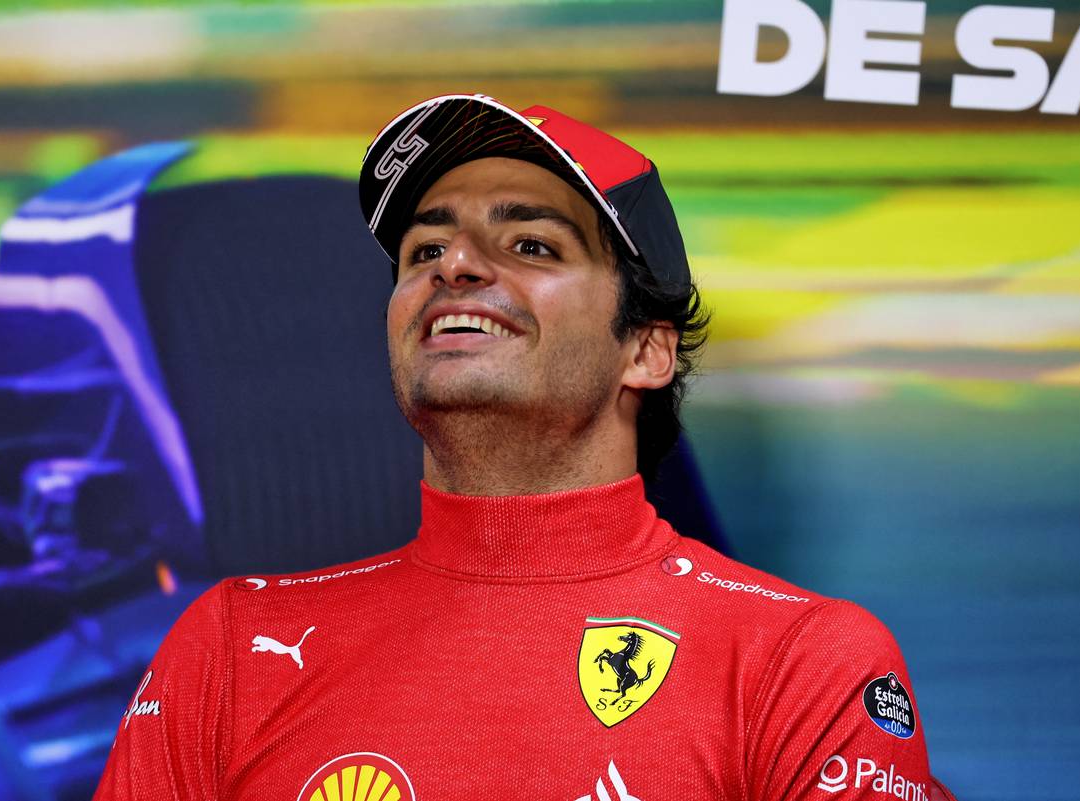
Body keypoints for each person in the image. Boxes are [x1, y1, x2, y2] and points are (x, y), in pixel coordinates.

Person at [93, 94, 946, 801]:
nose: (454, 265)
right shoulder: (232, 647)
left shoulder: (799, 660)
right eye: (425, 248)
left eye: (531, 244)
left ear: (646, 350)